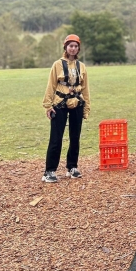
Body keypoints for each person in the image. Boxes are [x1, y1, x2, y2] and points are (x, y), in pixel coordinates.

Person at [42, 34, 90, 183]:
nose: (73, 48)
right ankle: (49, 171)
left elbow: (85, 88)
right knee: (56, 138)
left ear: (78, 48)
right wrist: (48, 105)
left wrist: (86, 107)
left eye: (76, 46)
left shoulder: (81, 66)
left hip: (76, 103)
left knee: (75, 137)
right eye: (70, 46)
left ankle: (72, 167)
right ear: (65, 47)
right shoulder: (57, 65)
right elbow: (51, 85)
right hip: (59, 104)